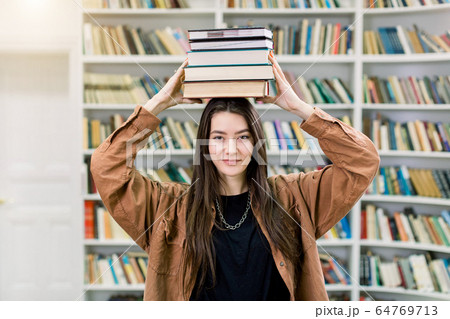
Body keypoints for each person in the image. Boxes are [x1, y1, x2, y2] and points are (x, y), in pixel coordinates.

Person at [90, 53, 380, 301]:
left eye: (243, 137)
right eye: (218, 137)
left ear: (256, 142)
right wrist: (160, 102)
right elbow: (107, 168)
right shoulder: (169, 209)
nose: (231, 149)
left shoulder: (295, 198)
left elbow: (362, 161)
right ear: (204, 142)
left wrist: (296, 106)